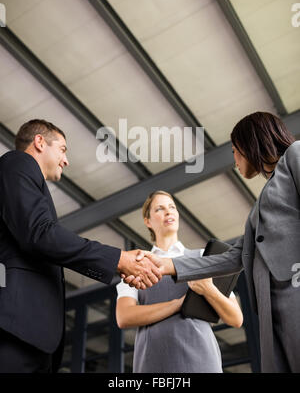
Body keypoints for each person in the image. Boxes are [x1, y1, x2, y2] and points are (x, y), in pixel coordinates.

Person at [125, 112, 300, 373]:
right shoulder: (259, 207)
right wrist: (164, 266)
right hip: (271, 307)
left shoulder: (296, 155)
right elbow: (233, 257)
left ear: (249, 144)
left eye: (234, 151)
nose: (235, 160)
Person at [0, 119, 161, 373]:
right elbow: (40, 234)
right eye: (63, 149)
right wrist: (118, 260)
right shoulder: (18, 163)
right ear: (39, 142)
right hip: (15, 330)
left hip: (31, 335)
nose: (66, 160)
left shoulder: (29, 184)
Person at [116, 190, 243, 373]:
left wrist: (208, 289)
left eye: (172, 207)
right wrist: (178, 304)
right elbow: (125, 316)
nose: (168, 212)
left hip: (201, 362)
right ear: (147, 221)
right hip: (152, 364)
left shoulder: (203, 257)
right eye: (160, 209)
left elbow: (235, 318)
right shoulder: (137, 264)